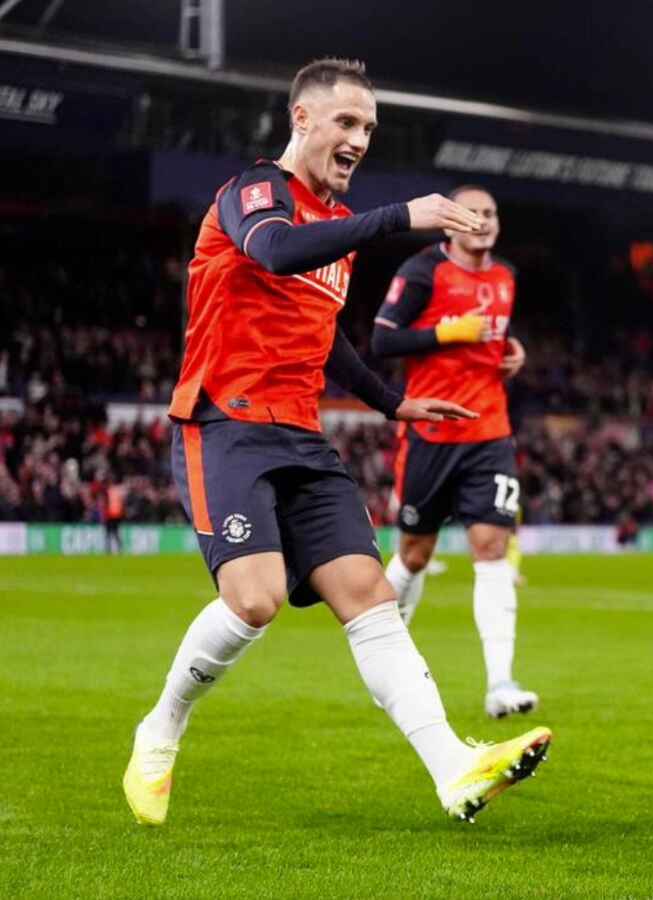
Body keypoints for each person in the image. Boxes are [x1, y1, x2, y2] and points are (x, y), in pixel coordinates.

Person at [122, 58, 550, 828]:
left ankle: (455, 768)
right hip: (226, 423)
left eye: (369, 129)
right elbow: (276, 252)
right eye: (346, 123)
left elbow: (329, 341)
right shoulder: (255, 194)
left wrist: (393, 403)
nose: (358, 139)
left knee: (373, 598)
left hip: (301, 436)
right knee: (253, 602)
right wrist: (398, 216)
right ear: (303, 121)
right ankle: (160, 728)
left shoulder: (337, 236)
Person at [371, 185, 539, 718]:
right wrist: (444, 332)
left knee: (491, 550)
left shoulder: (506, 277)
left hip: (489, 432)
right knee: (414, 555)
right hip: (431, 432)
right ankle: (383, 657)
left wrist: (513, 352)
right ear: (451, 225)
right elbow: (382, 340)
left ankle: (501, 684)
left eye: (491, 213)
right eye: (473, 214)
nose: (484, 221)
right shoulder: (422, 272)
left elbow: (493, 338)